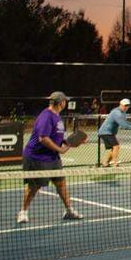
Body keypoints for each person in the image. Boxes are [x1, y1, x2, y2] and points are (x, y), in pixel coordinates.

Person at [17, 92, 82, 223]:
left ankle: (69, 210)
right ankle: (23, 212)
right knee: (34, 187)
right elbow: (43, 138)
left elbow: (54, 135)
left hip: (52, 157)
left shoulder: (57, 116)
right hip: (36, 157)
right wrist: (60, 149)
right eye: (65, 101)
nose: (66, 103)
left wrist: (66, 142)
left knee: (61, 184)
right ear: (61, 102)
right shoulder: (46, 116)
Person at [98, 98, 131, 167]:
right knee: (116, 146)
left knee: (114, 147)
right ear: (120, 105)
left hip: (110, 132)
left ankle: (106, 163)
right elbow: (124, 126)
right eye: (125, 105)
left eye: (128, 105)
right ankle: (115, 163)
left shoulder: (123, 112)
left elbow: (125, 122)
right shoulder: (117, 113)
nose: (126, 107)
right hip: (105, 132)